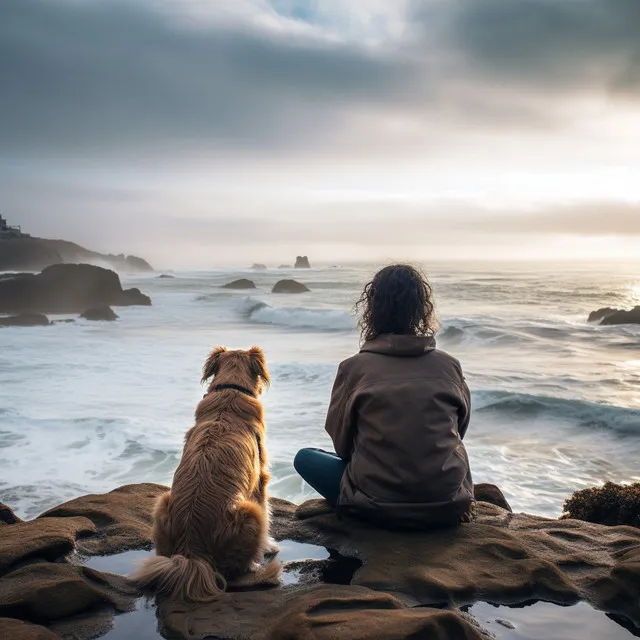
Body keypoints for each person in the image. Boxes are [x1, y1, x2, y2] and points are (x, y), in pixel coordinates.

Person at [293, 264, 474, 529]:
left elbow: (342, 446)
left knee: (305, 457)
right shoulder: (449, 366)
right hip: (447, 504)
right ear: (422, 308)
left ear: (372, 309)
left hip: (373, 505)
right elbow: (459, 430)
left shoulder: (353, 368)